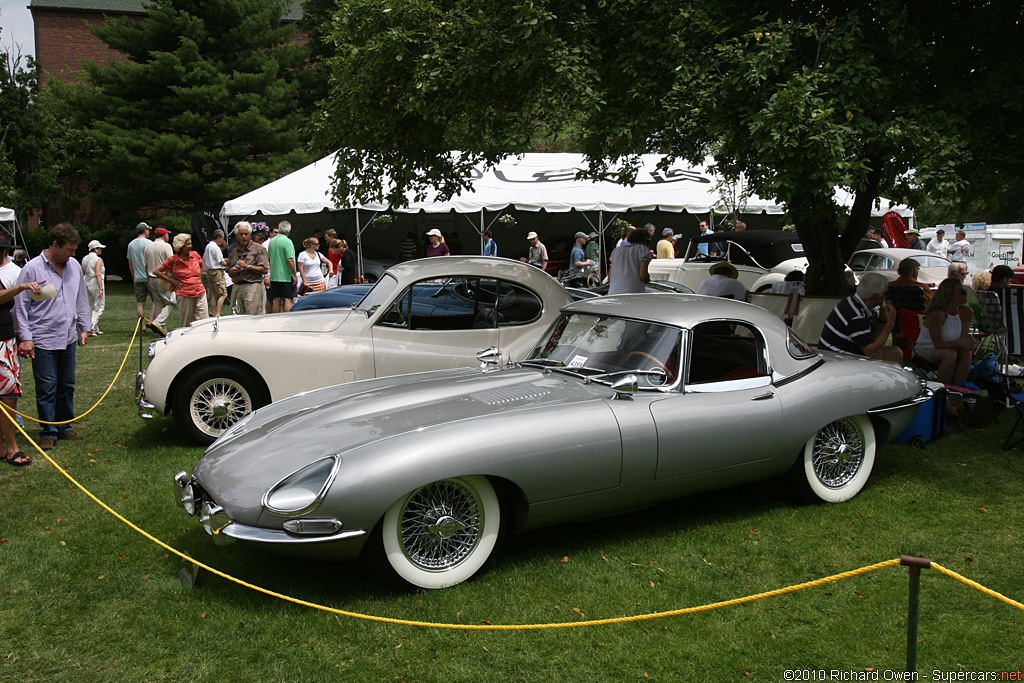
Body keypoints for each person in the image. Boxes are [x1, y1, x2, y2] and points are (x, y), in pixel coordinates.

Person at [14, 223, 92, 451]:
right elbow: (20, 306)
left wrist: (84, 327)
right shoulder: (32, 269)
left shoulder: (74, 266)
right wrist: (26, 337)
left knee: (67, 384)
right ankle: (48, 431)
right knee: (47, 386)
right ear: (55, 245)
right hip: (42, 338)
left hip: (67, 337)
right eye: (69, 249)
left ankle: (64, 426)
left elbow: (81, 298)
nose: (73, 254)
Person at [0, 239, 43, 465]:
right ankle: (12, 448)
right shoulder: (15, 279)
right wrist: (21, 287)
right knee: (7, 396)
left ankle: (4, 446)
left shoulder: (13, 270)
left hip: (6, 340)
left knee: (9, 394)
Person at [818, 272, 903, 363]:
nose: (886, 297)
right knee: (895, 364)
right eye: (885, 294)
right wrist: (890, 323)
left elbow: (873, 339)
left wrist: (882, 320)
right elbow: (871, 352)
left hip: (842, 353)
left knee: (895, 353)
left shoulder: (854, 303)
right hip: (839, 360)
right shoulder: (855, 315)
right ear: (875, 297)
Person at [915, 277, 976, 385]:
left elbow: (963, 340)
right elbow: (938, 344)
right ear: (948, 294)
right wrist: (961, 343)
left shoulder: (966, 312)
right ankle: (943, 388)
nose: (965, 294)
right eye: (961, 292)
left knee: (966, 353)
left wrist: (968, 343)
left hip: (951, 349)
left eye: (965, 291)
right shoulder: (937, 314)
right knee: (950, 354)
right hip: (926, 350)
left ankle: (958, 388)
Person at [154, 233, 208, 328]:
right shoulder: (173, 260)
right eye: (188, 244)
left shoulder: (195, 255)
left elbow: (201, 264)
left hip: (200, 291)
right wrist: (172, 280)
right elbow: (156, 271)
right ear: (181, 246)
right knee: (186, 323)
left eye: (191, 243)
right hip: (184, 294)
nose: (190, 246)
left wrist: (197, 276)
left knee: (204, 321)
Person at [226, 221, 270, 315]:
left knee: (252, 316)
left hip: (253, 286)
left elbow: (264, 269)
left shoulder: (259, 249)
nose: (244, 237)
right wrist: (232, 271)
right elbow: (228, 270)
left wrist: (248, 267)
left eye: (246, 234)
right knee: (236, 315)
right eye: (241, 234)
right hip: (237, 286)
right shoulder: (234, 252)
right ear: (237, 236)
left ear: (250, 235)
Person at [144, 227, 175, 330]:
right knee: (171, 302)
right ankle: (158, 323)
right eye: (167, 234)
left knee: (158, 303)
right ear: (164, 235)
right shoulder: (166, 246)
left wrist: (148, 279)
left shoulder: (148, 247)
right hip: (163, 278)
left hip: (152, 278)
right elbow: (171, 263)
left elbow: (146, 265)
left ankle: (162, 329)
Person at [607, 227, 652, 295]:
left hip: (614, 292)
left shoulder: (616, 251)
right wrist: (648, 279)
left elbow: (610, 277)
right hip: (633, 291)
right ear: (646, 240)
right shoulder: (643, 250)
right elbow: (643, 275)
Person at [267, 220, 297, 313]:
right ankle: (287, 317)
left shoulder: (272, 241)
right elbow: (290, 259)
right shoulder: (288, 242)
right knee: (288, 298)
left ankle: (275, 318)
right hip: (285, 276)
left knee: (277, 299)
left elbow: (269, 258)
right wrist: (294, 275)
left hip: (274, 275)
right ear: (289, 230)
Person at [126, 222, 152, 321]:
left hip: (138, 278)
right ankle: (154, 322)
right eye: (148, 230)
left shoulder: (131, 244)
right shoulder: (149, 243)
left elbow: (130, 262)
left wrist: (133, 276)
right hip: (149, 277)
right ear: (145, 231)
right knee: (156, 301)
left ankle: (141, 326)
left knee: (140, 303)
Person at [81, 240, 106, 335]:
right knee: (99, 306)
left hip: (86, 282)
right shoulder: (98, 259)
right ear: (95, 249)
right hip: (96, 282)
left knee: (90, 306)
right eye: (99, 248)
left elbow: (82, 272)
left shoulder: (84, 259)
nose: (100, 250)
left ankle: (95, 328)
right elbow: (98, 274)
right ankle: (90, 327)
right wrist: (100, 288)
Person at [203, 229, 228, 316]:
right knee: (223, 294)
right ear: (218, 238)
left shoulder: (208, 246)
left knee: (213, 293)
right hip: (217, 272)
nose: (223, 241)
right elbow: (221, 262)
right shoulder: (215, 247)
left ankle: (213, 313)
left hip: (210, 271)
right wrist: (229, 265)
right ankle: (218, 313)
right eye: (222, 238)